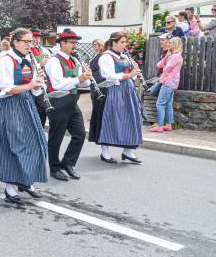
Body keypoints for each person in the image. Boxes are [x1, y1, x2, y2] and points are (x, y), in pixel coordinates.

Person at [0, 28, 47, 202]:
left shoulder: (29, 59)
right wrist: (30, 85)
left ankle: (26, 180)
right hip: (10, 105)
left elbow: (35, 90)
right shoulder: (6, 60)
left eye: (31, 42)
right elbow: (5, 88)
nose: (29, 45)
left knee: (36, 141)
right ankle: (10, 189)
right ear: (15, 42)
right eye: (26, 42)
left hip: (26, 102)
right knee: (13, 145)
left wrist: (38, 85)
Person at [44, 28, 91, 181]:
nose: (75, 46)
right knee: (56, 137)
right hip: (58, 101)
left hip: (72, 101)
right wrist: (79, 79)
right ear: (62, 43)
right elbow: (57, 84)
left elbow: (85, 82)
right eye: (72, 42)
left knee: (80, 134)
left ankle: (68, 163)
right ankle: (54, 168)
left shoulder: (75, 60)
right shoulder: (54, 60)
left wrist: (86, 77)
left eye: (75, 43)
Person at [92, 32, 143, 164]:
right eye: (122, 42)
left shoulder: (126, 56)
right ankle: (105, 152)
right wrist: (127, 75)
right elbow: (108, 75)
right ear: (113, 42)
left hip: (128, 90)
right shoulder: (106, 57)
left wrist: (135, 73)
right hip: (113, 90)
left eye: (126, 42)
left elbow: (132, 76)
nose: (125, 45)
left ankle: (128, 151)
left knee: (131, 118)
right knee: (109, 119)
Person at [149, 37, 184, 133]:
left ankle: (160, 125)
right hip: (172, 83)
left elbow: (166, 69)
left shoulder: (175, 56)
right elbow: (159, 65)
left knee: (160, 103)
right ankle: (169, 125)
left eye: (171, 43)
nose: (169, 44)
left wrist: (167, 60)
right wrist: (167, 56)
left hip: (168, 82)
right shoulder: (174, 55)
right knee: (168, 104)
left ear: (176, 44)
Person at [29, 27, 52, 127]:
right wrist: (40, 63)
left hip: (43, 84)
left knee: (42, 111)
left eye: (38, 37)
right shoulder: (27, 51)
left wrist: (49, 62)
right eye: (34, 36)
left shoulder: (44, 50)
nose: (36, 39)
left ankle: (40, 132)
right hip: (31, 84)